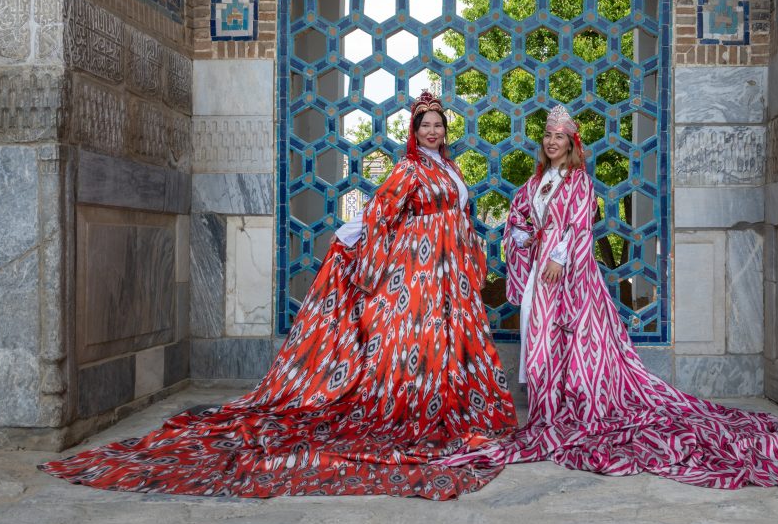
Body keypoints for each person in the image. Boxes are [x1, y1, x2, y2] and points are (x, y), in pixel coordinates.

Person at [41, 91, 517, 500]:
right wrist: (347, 242)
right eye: (425, 125)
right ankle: (411, 408)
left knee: (453, 344)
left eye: (438, 124)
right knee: (421, 342)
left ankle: (455, 406)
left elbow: (462, 216)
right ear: (414, 130)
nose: (432, 131)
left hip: (449, 271)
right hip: (420, 272)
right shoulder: (408, 171)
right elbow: (378, 214)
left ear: (446, 130)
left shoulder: (450, 170)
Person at [441, 105, 778, 488]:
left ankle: (575, 403)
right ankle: (546, 409)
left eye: (559, 136)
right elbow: (520, 217)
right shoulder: (538, 183)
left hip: (570, 275)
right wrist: (523, 239)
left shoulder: (577, 180)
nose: (552, 142)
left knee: (572, 340)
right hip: (543, 275)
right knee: (541, 338)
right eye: (547, 136)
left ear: (571, 142)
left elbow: (578, 225)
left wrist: (557, 255)